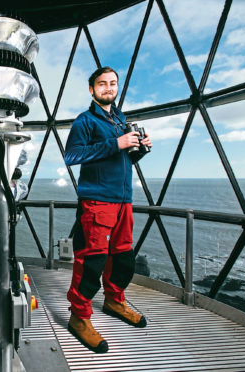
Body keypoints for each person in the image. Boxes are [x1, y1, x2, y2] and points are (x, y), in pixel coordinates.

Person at [64, 66, 152, 353]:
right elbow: (73, 155)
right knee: (91, 262)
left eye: (113, 83)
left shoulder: (120, 120)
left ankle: (115, 300)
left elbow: (120, 159)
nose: (108, 88)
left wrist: (138, 148)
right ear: (92, 89)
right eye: (102, 84)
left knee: (123, 257)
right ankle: (79, 317)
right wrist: (116, 143)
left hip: (123, 201)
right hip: (97, 202)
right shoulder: (85, 121)